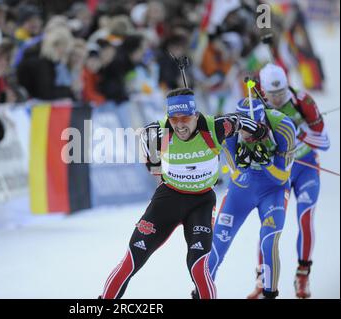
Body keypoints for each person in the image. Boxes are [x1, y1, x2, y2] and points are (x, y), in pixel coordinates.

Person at [100, 87, 270, 299]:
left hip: (201, 203)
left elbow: (241, 121)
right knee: (132, 260)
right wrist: (158, 168)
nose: (180, 125)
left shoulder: (215, 127)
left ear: (195, 115)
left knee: (198, 268)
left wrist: (261, 134)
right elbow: (148, 151)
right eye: (174, 119)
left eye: (185, 118)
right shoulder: (158, 132)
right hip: (167, 200)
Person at [247, 63, 330, 299]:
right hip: (279, 172)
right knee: (270, 224)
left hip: (305, 168)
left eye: (281, 92)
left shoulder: (301, 100)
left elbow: (324, 139)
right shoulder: (256, 105)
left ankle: (303, 274)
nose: (278, 98)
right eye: (272, 95)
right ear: (263, 90)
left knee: (305, 217)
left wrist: (302, 132)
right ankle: (263, 278)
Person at [209, 97, 296, 299]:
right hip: (241, 191)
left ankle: (269, 293)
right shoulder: (229, 130)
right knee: (216, 244)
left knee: (268, 242)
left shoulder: (283, 126)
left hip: (272, 191)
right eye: (245, 130)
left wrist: (266, 164)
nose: (249, 135)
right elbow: (237, 177)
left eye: (256, 129)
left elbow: (283, 177)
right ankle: (201, 293)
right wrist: (244, 166)